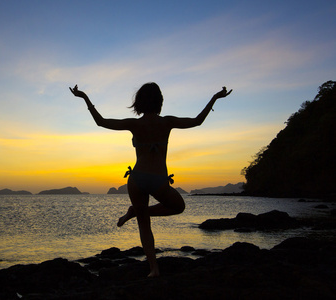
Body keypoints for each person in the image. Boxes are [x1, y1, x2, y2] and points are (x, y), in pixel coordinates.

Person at [70, 82, 232, 277]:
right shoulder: (167, 122)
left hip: (137, 179)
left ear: (139, 102)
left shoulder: (134, 124)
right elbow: (198, 120)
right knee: (178, 207)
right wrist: (215, 98)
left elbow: (101, 122)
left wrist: (85, 97)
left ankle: (153, 268)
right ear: (160, 102)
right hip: (158, 179)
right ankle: (137, 217)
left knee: (144, 224)